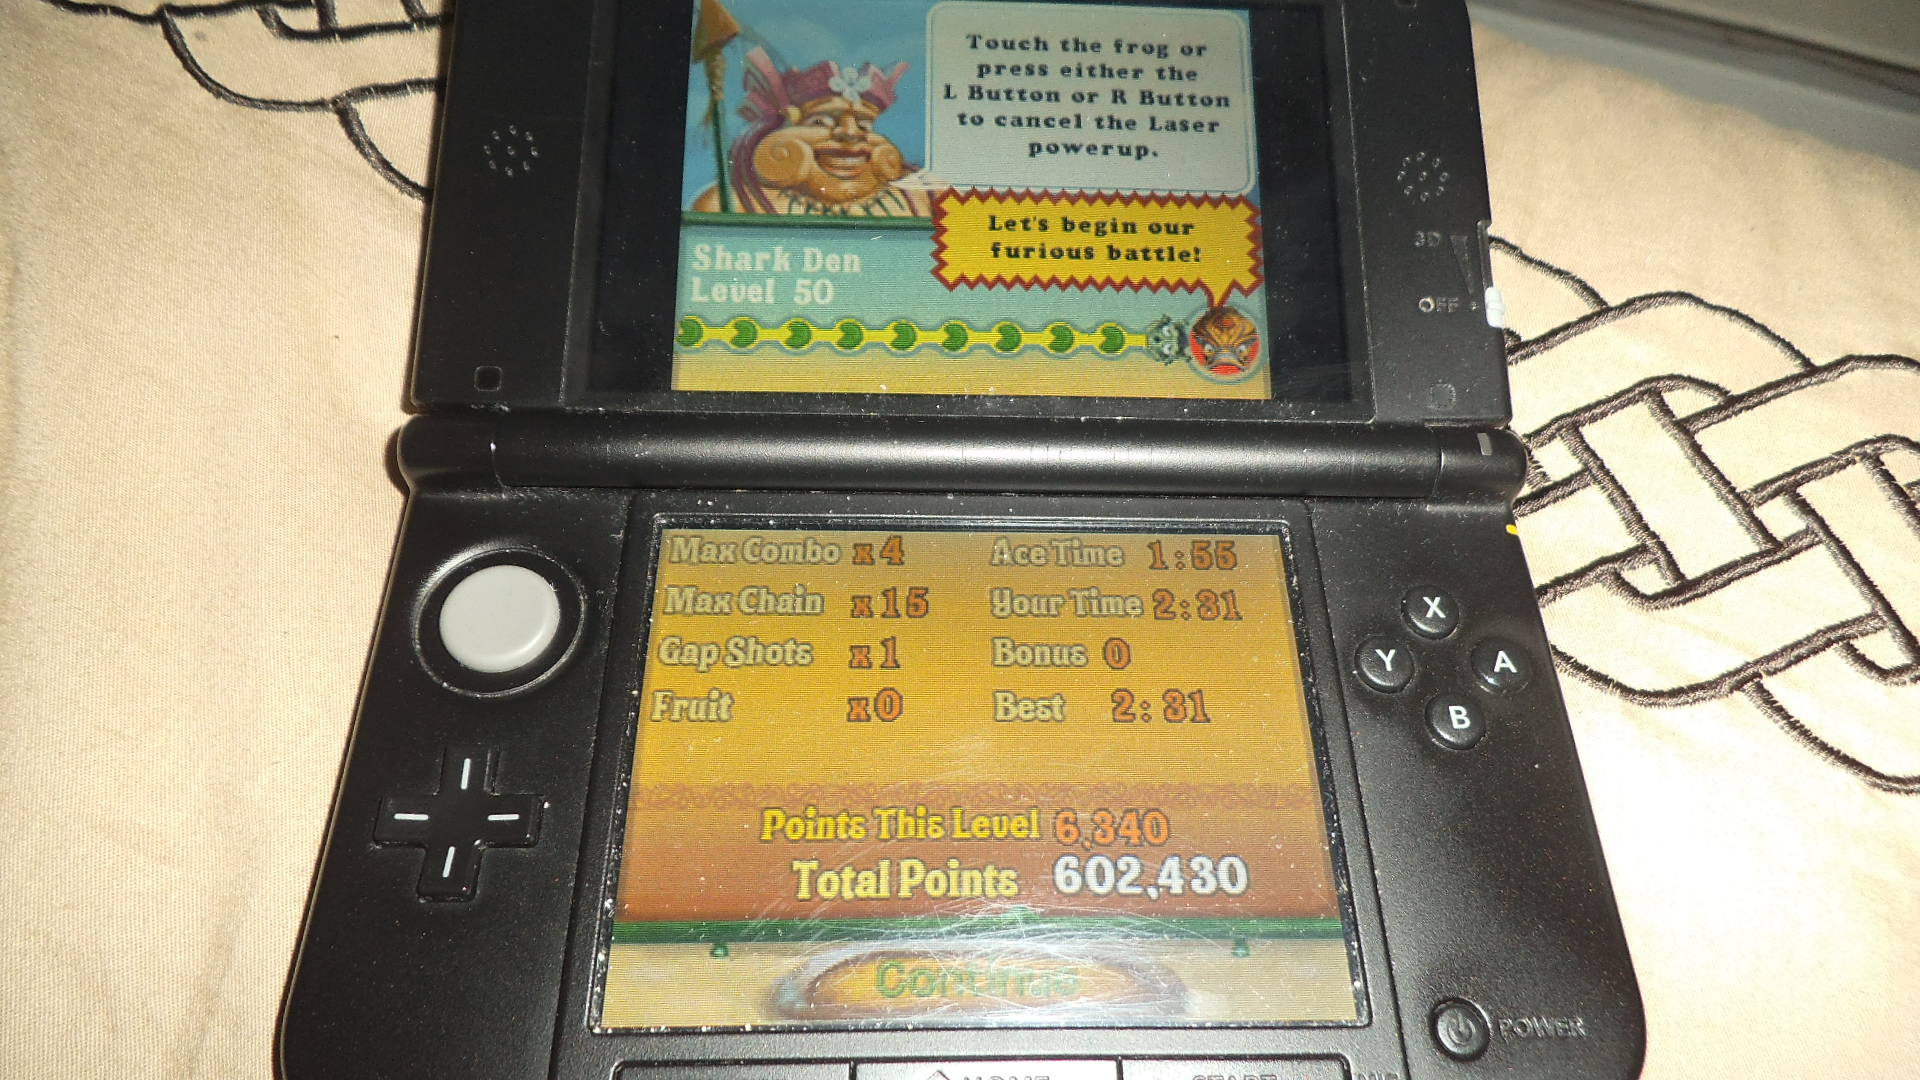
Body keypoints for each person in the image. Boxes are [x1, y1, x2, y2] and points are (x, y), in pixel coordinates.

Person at [693, 48, 936, 216]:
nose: (851, 134)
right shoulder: (726, 203)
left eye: (864, 125)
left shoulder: (922, 199)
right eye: (820, 122)